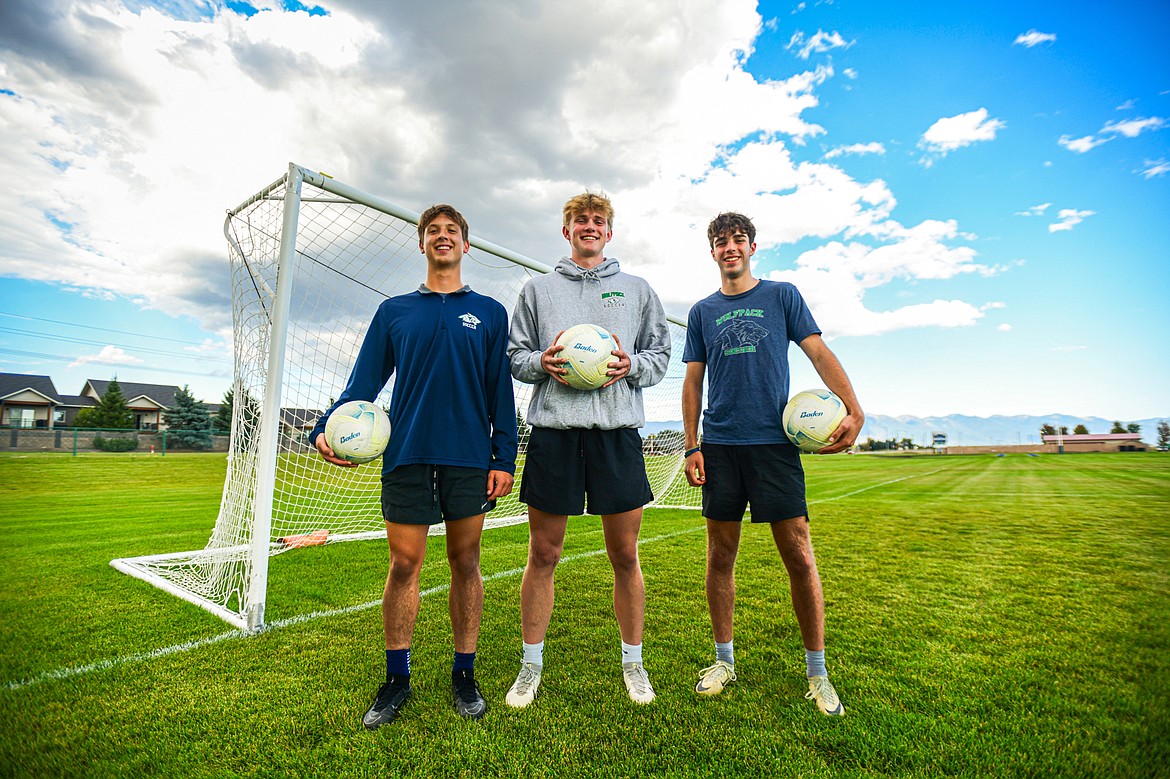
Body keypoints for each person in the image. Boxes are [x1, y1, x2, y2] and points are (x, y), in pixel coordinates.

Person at [311, 204, 517, 728]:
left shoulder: (491, 312)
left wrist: (504, 456)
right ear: (421, 244)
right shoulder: (395, 311)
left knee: (465, 562)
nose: (442, 237)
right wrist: (322, 428)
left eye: (452, 232)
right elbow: (363, 385)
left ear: (466, 246)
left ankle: (463, 674)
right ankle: (397, 678)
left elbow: (501, 391)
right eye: (433, 231)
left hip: (469, 458)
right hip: (405, 455)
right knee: (404, 565)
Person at [681, 211, 863, 717]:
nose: (729, 248)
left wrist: (854, 407)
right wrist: (692, 444)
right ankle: (723, 661)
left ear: (752, 247)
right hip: (720, 445)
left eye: (738, 239)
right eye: (721, 241)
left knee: (799, 555)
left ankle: (818, 672)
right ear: (712, 252)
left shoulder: (782, 295)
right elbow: (693, 381)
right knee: (720, 555)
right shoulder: (701, 311)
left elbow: (818, 354)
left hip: (774, 446)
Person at [504, 192, 671, 707]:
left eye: (599, 221)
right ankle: (530, 665)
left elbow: (661, 356)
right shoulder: (537, 289)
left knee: (624, 554)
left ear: (609, 231)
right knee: (544, 553)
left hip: (615, 435)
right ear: (567, 230)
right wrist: (542, 363)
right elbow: (515, 356)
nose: (590, 227)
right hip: (554, 434)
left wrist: (632, 368)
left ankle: (633, 662)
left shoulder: (637, 290)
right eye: (581, 221)